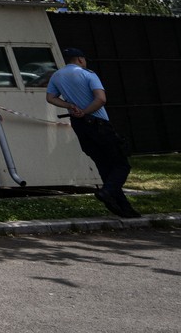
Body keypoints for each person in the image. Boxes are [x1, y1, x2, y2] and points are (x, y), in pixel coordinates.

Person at [46, 47, 137, 218]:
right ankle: (107, 192)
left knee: (103, 165)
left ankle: (123, 207)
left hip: (79, 126)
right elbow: (101, 99)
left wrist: (71, 106)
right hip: (99, 123)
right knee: (121, 164)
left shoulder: (57, 76)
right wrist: (86, 111)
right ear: (80, 59)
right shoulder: (88, 74)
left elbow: (50, 98)